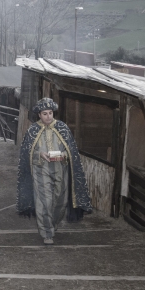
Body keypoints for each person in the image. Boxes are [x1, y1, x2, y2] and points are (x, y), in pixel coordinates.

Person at [17, 98, 92, 245]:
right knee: (44, 201)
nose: (48, 116)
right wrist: (39, 154)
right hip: (41, 169)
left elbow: (71, 150)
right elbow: (26, 153)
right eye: (44, 114)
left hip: (60, 169)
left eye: (50, 113)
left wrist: (64, 155)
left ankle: (53, 223)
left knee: (60, 201)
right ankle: (47, 232)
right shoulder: (33, 130)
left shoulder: (62, 128)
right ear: (39, 115)